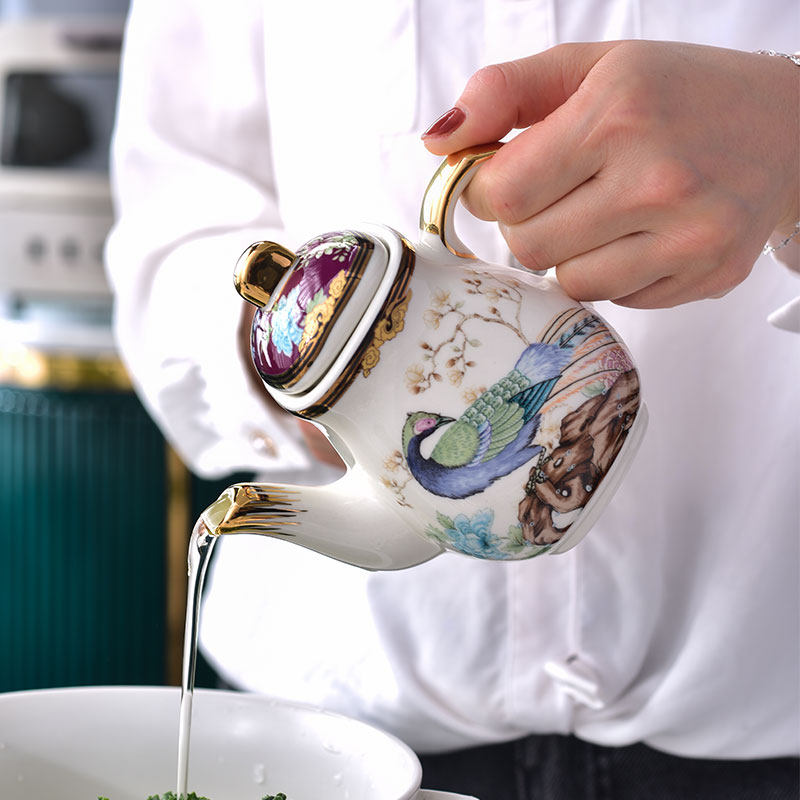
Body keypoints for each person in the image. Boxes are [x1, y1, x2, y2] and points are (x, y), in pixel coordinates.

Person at [105, 1, 800, 798]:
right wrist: (314, 384)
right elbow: (173, 209)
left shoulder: (454, 449)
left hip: (760, 710)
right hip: (332, 735)